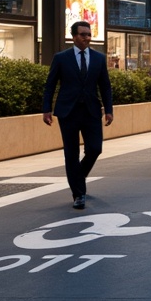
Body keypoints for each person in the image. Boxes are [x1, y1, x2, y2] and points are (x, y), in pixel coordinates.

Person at [42, 21, 114, 210]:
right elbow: (50, 85)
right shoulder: (61, 58)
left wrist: (109, 110)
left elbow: (105, 85)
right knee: (71, 153)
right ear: (73, 36)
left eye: (89, 34)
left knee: (95, 148)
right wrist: (46, 109)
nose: (87, 38)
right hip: (68, 111)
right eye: (83, 34)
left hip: (91, 111)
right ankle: (78, 194)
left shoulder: (99, 58)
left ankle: (77, 178)